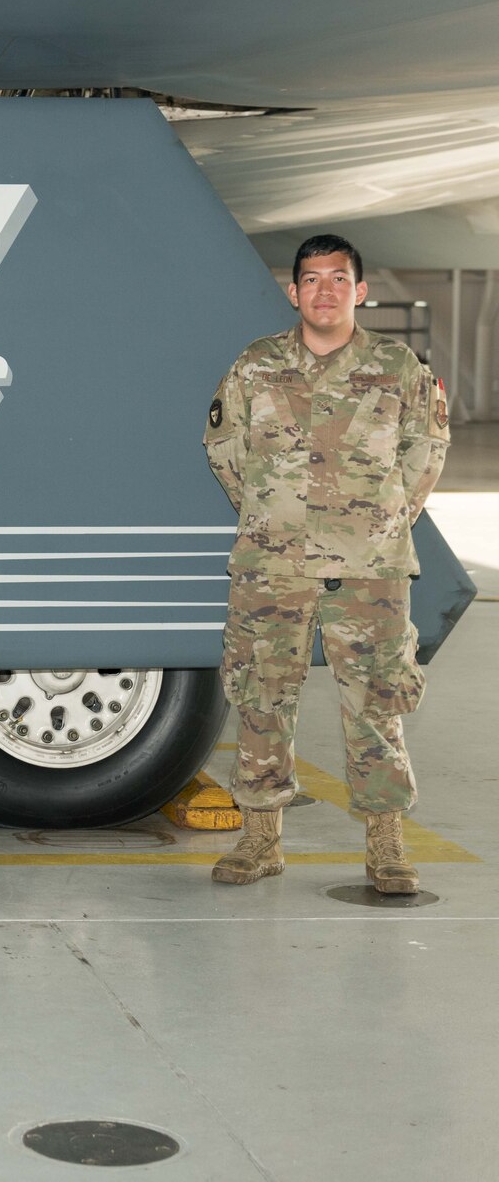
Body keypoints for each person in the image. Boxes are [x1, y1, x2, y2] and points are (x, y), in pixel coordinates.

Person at [204, 234, 449, 893]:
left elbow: (426, 447)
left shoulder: (398, 367)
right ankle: (259, 841)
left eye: (339, 278)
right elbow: (225, 446)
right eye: (311, 279)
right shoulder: (255, 366)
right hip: (272, 565)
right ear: (294, 292)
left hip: (370, 565)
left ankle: (386, 847)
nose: (325, 290)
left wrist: (386, 519)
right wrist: (267, 515)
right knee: (262, 695)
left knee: (375, 702)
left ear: (359, 290)